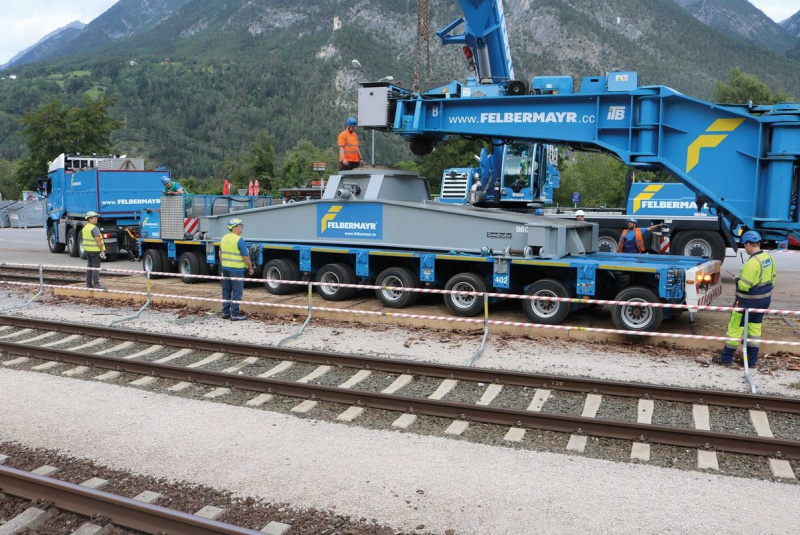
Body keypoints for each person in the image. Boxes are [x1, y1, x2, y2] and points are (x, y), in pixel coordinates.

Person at [712, 230, 776, 368]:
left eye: (744, 245)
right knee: (754, 330)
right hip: (764, 301)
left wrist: (737, 280)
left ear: (748, 244)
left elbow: (744, 286)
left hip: (747, 301)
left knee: (734, 328)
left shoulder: (751, 263)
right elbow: (773, 279)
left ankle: (726, 358)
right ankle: (751, 361)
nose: (744, 248)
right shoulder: (768, 258)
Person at [219, 218, 254, 321]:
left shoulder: (224, 238)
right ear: (234, 228)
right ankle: (234, 314)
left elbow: (220, 253)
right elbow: (245, 257)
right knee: (237, 292)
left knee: (226, 290)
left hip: (225, 269)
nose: (242, 227)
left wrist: (224, 264)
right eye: (240, 226)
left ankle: (225, 313)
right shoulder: (239, 240)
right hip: (237, 270)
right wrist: (250, 267)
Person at [82, 211, 107, 290]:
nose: (96, 219)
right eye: (95, 218)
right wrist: (102, 250)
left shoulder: (85, 228)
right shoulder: (94, 228)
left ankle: (88, 284)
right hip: (95, 251)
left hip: (87, 251)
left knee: (89, 267)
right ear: (90, 219)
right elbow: (98, 240)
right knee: (96, 268)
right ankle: (96, 284)